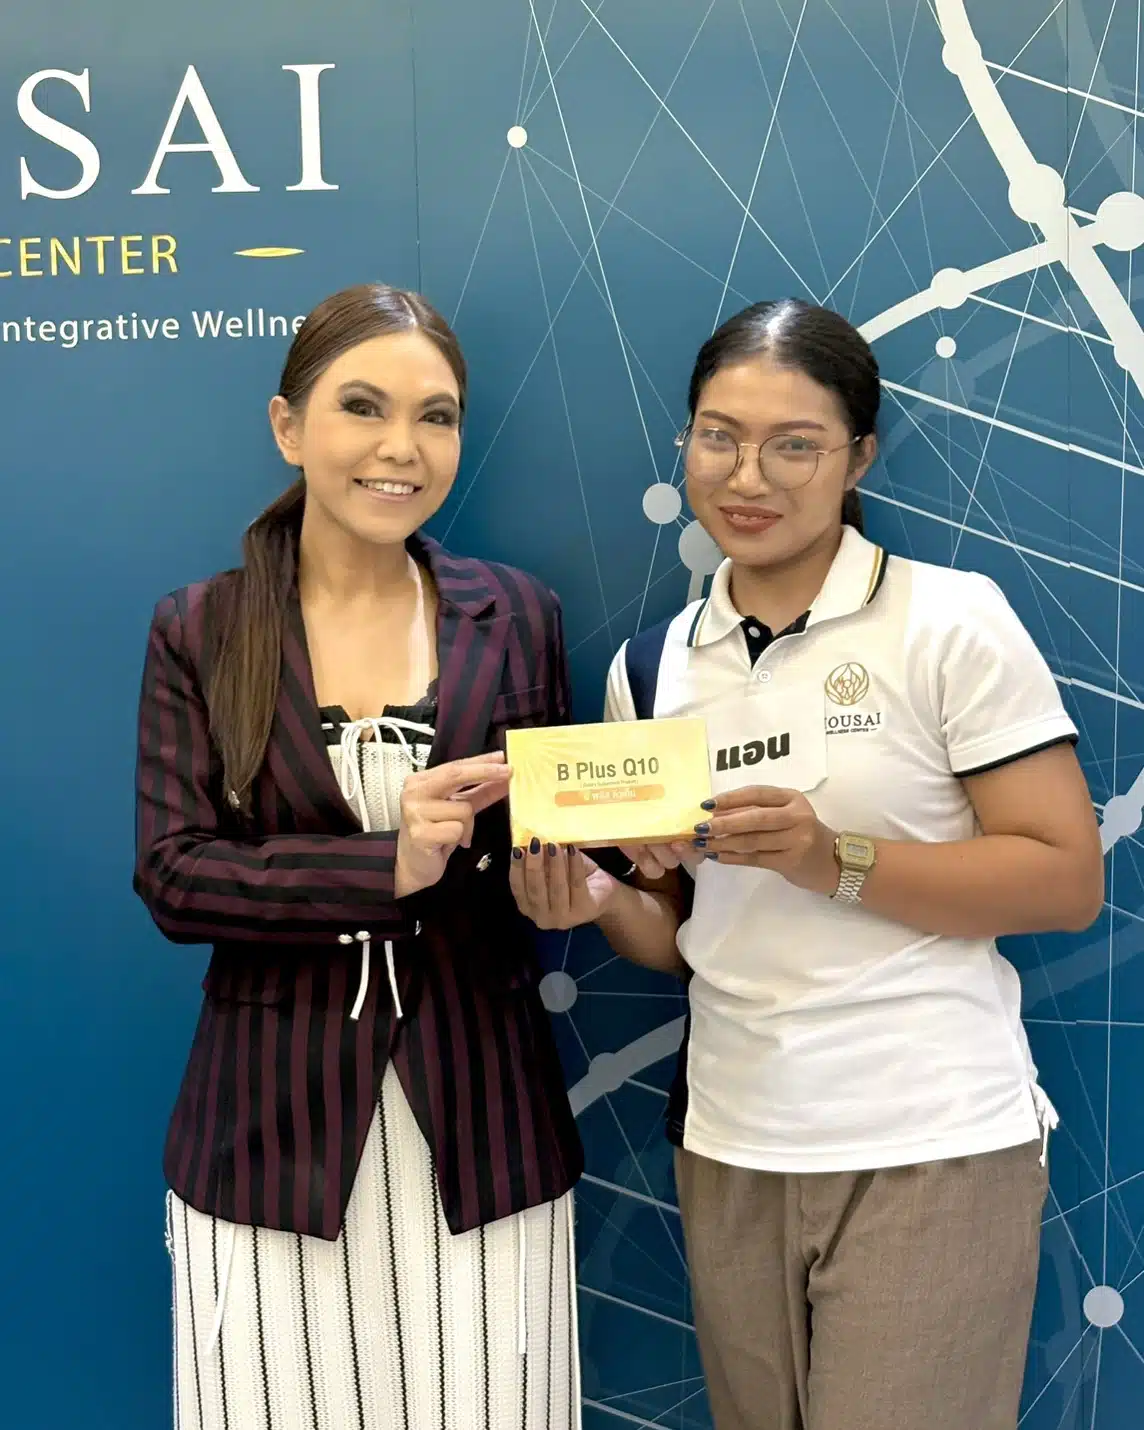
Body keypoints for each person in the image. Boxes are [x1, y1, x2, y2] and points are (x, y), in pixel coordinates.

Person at [510, 298, 1105, 1430]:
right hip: (730, 1143)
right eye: (718, 436)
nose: (749, 476)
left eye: (795, 444)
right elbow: (678, 932)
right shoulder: (653, 665)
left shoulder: (947, 620)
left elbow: (1065, 879)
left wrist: (834, 859)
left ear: (857, 457)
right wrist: (592, 897)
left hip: (928, 1139)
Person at [134, 283, 583, 1430]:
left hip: (483, 1124)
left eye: (437, 416)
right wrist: (384, 865)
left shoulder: (518, 614)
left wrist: (564, 884)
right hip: (268, 1132)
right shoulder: (201, 626)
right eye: (363, 407)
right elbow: (175, 873)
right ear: (289, 427)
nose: (401, 447)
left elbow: (548, 834)